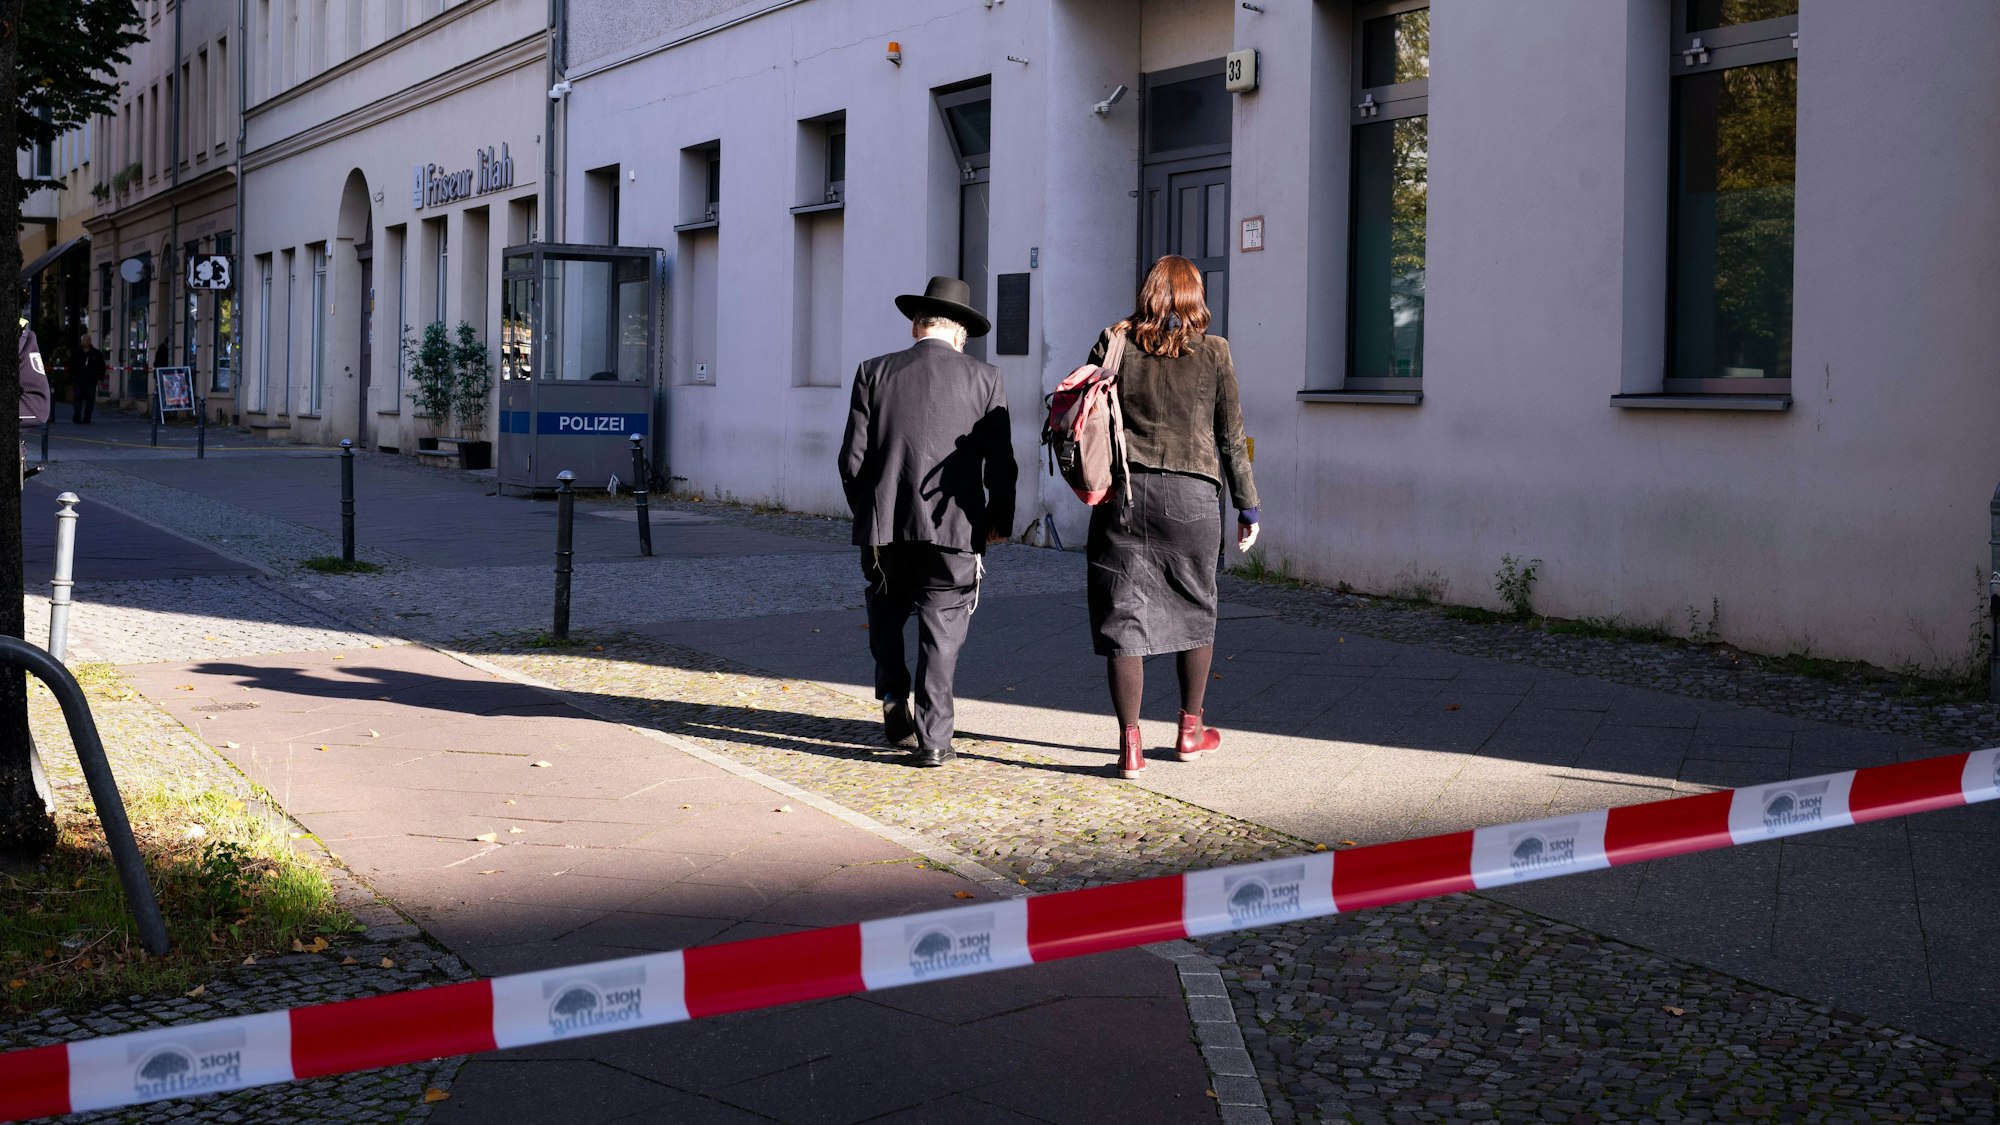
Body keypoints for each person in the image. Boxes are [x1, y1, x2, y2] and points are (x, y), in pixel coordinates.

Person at [1082, 254, 1260, 779]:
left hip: (1126, 493)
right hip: (1193, 496)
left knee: (1123, 614)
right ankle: (1189, 730)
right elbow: (1230, 438)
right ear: (1195, 298)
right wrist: (1247, 506)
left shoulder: (1115, 342)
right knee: (1196, 606)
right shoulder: (1215, 353)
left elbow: (1085, 411)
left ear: (1148, 294)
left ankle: (1130, 747)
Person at [838, 276, 1017, 767]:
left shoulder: (873, 372)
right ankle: (934, 739)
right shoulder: (985, 379)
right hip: (955, 530)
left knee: (885, 615)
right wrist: (999, 521)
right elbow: (1001, 463)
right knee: (942, 632)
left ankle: (894, 697)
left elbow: (851, 462)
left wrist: (870, 510)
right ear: (960, 333)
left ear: (917, 326)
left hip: (885, 529)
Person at [71, 332, 104, 424]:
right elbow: (71, 365)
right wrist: (72, 377)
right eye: (85, 340)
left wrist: (100, 377)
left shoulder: (96, 354)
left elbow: (101, 366)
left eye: (88, 340)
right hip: (78, 380)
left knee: (90, 400)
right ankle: (76, 416)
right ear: (82, 342)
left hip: (91, 380)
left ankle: (87, 418)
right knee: (78, 398)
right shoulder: (77, 353)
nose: (87, 342)